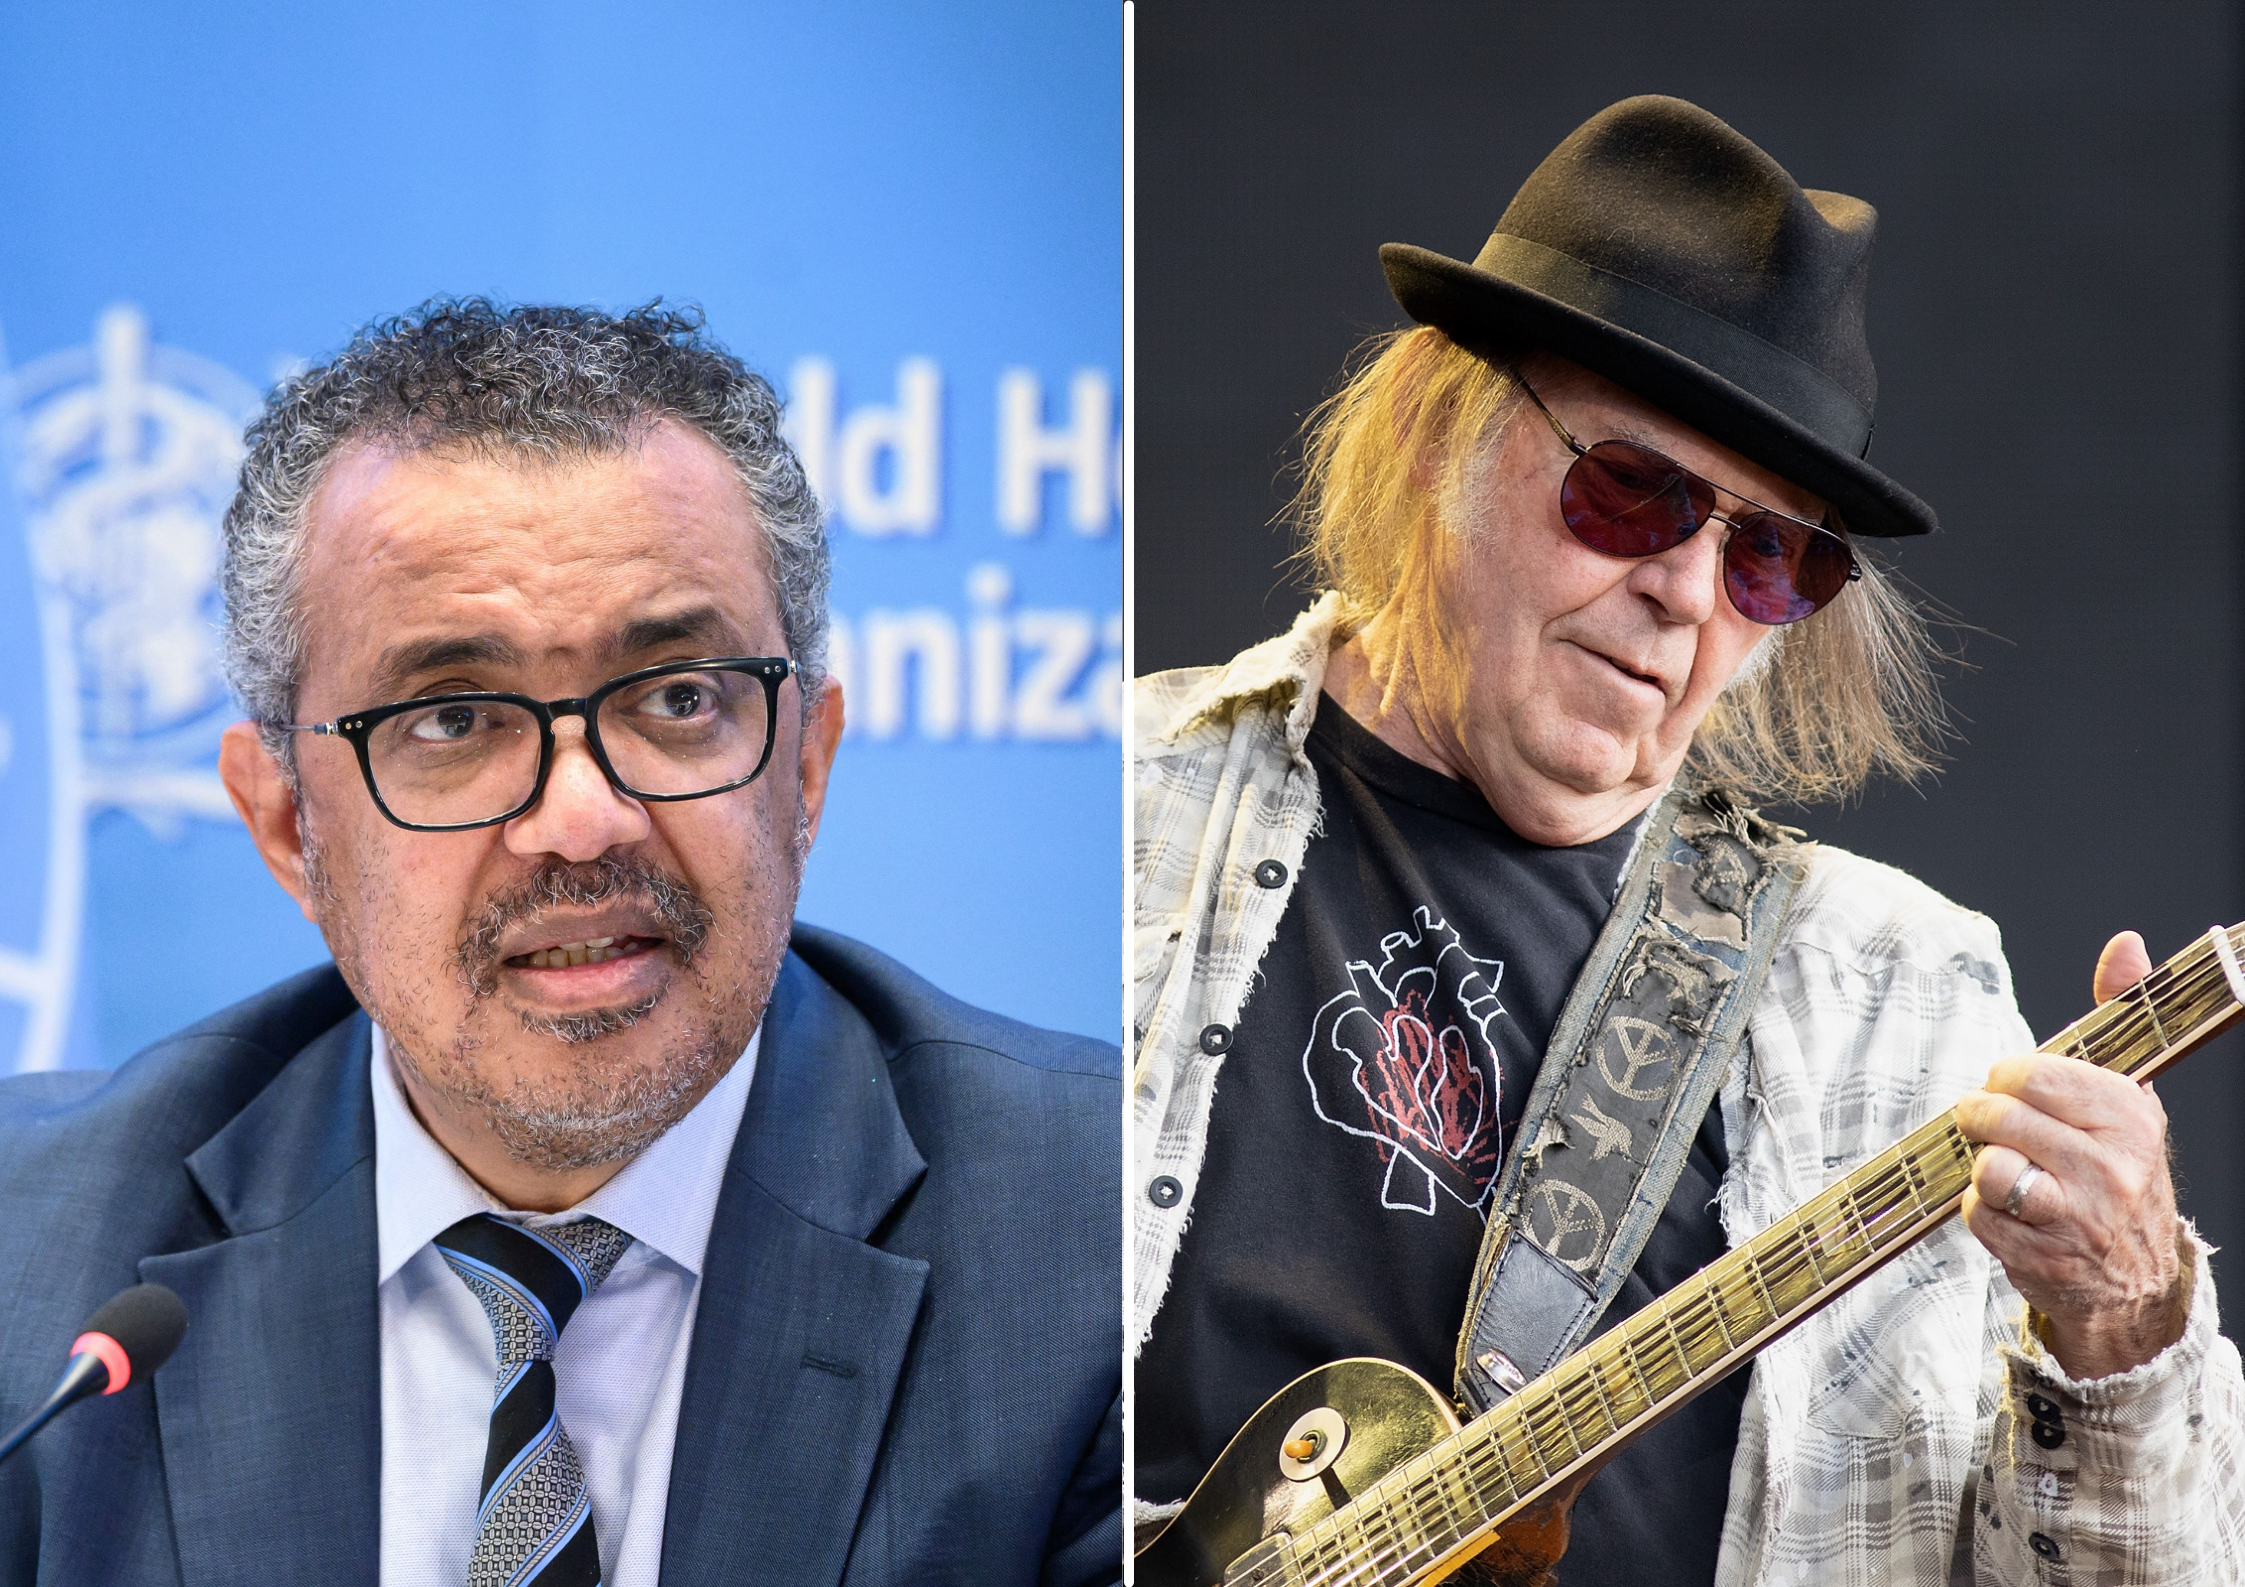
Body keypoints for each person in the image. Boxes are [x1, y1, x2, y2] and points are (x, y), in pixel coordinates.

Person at [1131, 97, 2244, 1584]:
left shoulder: (1904, 1001)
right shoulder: (1118, 806)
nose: (1686, 588)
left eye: (1768, 554)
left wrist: (2123, 1322)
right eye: (1631, 488)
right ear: (1426, 438)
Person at [0, 301, 1121, 1587]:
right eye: (455, 718)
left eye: (678, 698)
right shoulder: (31, 1270)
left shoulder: (1084, 1249)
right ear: (286, 827)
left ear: (805, 770)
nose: (582, 819)